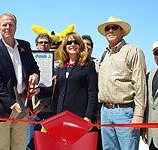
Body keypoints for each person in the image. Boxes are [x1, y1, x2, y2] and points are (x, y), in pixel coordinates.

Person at [0, 13, 40, 150]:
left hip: (23, 103)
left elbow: (34, 67)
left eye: (11, 24)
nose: (8, 27)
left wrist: (35, 75)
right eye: (4, 25)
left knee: (19, 146)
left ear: (16, 27)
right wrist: (12, 104)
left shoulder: (25, 46)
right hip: (2, 107)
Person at [97, 16, 147, 150]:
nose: (110, 30)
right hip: (105, 111)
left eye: (114, 27)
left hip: (125, 112)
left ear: (122, 31)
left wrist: (139, 114)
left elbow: (140, 84)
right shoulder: (104, 55)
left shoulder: (133, 51)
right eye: (108, 28)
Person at [36, 32, 98, 124]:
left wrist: (88, 116)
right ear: (65, 46)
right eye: (69, 43)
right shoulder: (62, 66)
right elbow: (59, 89)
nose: (72, 45)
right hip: (60, 114)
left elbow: (92, 92)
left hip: (79, 116)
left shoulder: (88, 64)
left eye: (75, 42)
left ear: (80, 45)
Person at [26, 33, 55, 150]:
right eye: (41, 42)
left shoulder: (57, 63)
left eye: (46, 42)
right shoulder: (29, 64)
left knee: (50, 141)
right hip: (35, 107)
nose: (43, 45)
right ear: (36, 45)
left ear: (51, 45)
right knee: (31, 141)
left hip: (51, 107)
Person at [141, 41, 158, 150]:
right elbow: (148, 104)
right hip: (152, 135)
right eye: (156, 53)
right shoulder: (149, 75)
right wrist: (144, 128)